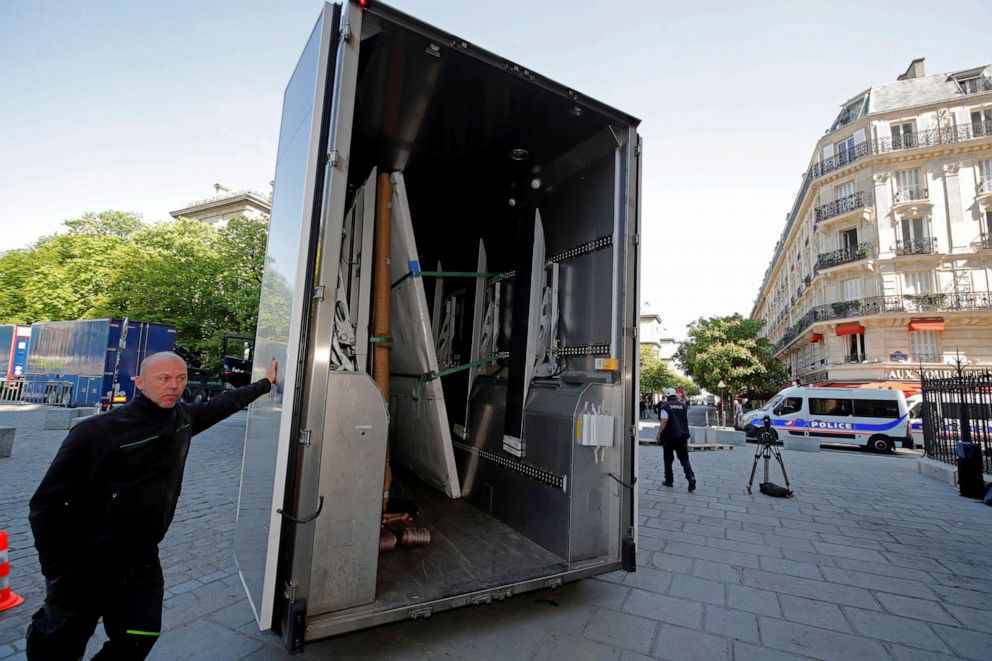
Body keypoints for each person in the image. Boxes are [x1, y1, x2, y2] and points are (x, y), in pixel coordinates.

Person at [26, 351, 278, 660]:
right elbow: (46, 505)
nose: (174, 385)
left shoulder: (183, 419)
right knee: (60, 645)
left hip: (142, 560)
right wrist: (56, 571)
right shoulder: (97, 431)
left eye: (180, 378)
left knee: (141, 634)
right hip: (85, 564)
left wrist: (265, 383)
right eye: (164, 378)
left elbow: (225, 404)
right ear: (140, 382)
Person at [656, 387, 696, 492]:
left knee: (668, 459)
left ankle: (669, 480)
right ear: (675, 396)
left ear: (667, 396)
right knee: (684, 459)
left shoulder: (665, 406)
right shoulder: (683, 406)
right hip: (682, 436)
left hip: (669, 437)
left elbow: (664, 421)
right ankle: (690, 477)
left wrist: (659, 434)